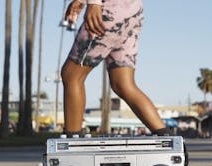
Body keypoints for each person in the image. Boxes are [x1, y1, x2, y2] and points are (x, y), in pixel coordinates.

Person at [61, 0, 167, 137]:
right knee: (123, 84)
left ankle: (72, 141)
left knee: (71, 76)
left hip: (109, 10)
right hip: (132, 11)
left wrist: (94, 2)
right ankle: (168, 138)